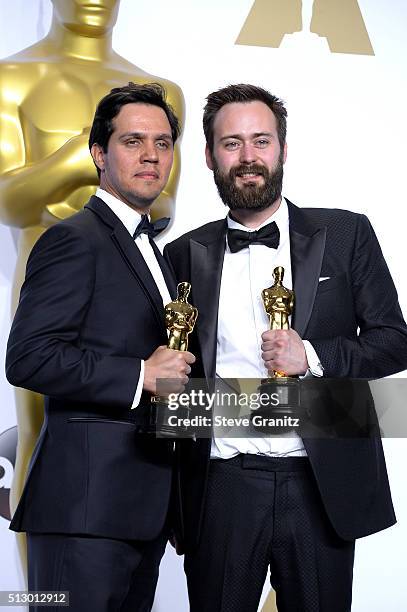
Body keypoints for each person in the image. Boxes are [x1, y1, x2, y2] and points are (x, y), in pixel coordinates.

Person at [164, 84, 407, 612]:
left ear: (283, 149)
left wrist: (312, 357)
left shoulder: (346, 234)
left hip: (320, 486)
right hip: (222, 486)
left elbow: (394, 343)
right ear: (209, 155)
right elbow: (175, 381)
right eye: (231, 144)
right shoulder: (183, 253)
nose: (248, 158)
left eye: (261, 141)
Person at [0, 0, 184, 573]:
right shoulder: (70, 239)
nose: (150, 157)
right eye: (131, 143)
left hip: (140, 516)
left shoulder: (158, 252)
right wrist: (141, 375)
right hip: (83, 519)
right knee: (36, 431)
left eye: (160, 145)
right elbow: (28, 358)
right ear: (100, 153)